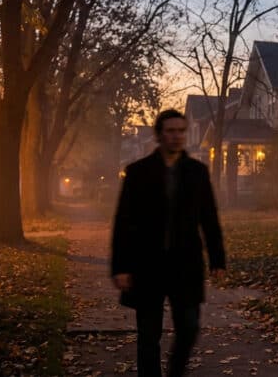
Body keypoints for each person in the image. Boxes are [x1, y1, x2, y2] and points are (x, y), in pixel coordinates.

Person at [111, 109, 226, 377]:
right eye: (171, 131)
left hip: (184, 265)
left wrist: (218, 259)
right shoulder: (138, 172)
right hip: (146, 265)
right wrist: (121, 267)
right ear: (159, 135)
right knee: (149, 336)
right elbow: (123, 221)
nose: (177, 137)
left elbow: (209, 218)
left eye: (181, 131)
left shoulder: (197, 172)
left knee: (188, 327)